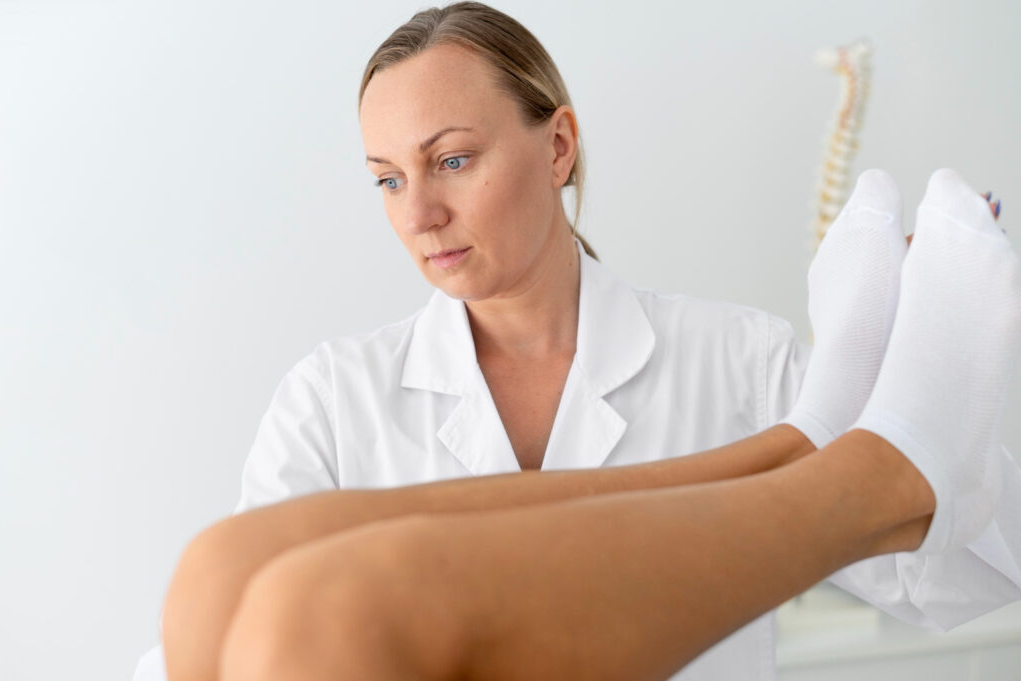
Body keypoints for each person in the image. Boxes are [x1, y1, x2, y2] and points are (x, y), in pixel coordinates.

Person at [131, 3, 1021, 680]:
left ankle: (819, 439)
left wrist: (948, 392)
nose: (418, 214)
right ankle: (818, 448)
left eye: (450, 161)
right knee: (267, 593)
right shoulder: (333, 395)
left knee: (244, 577)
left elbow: (964, 574)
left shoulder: (735, 356)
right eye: (388, 179)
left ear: (557, 147)